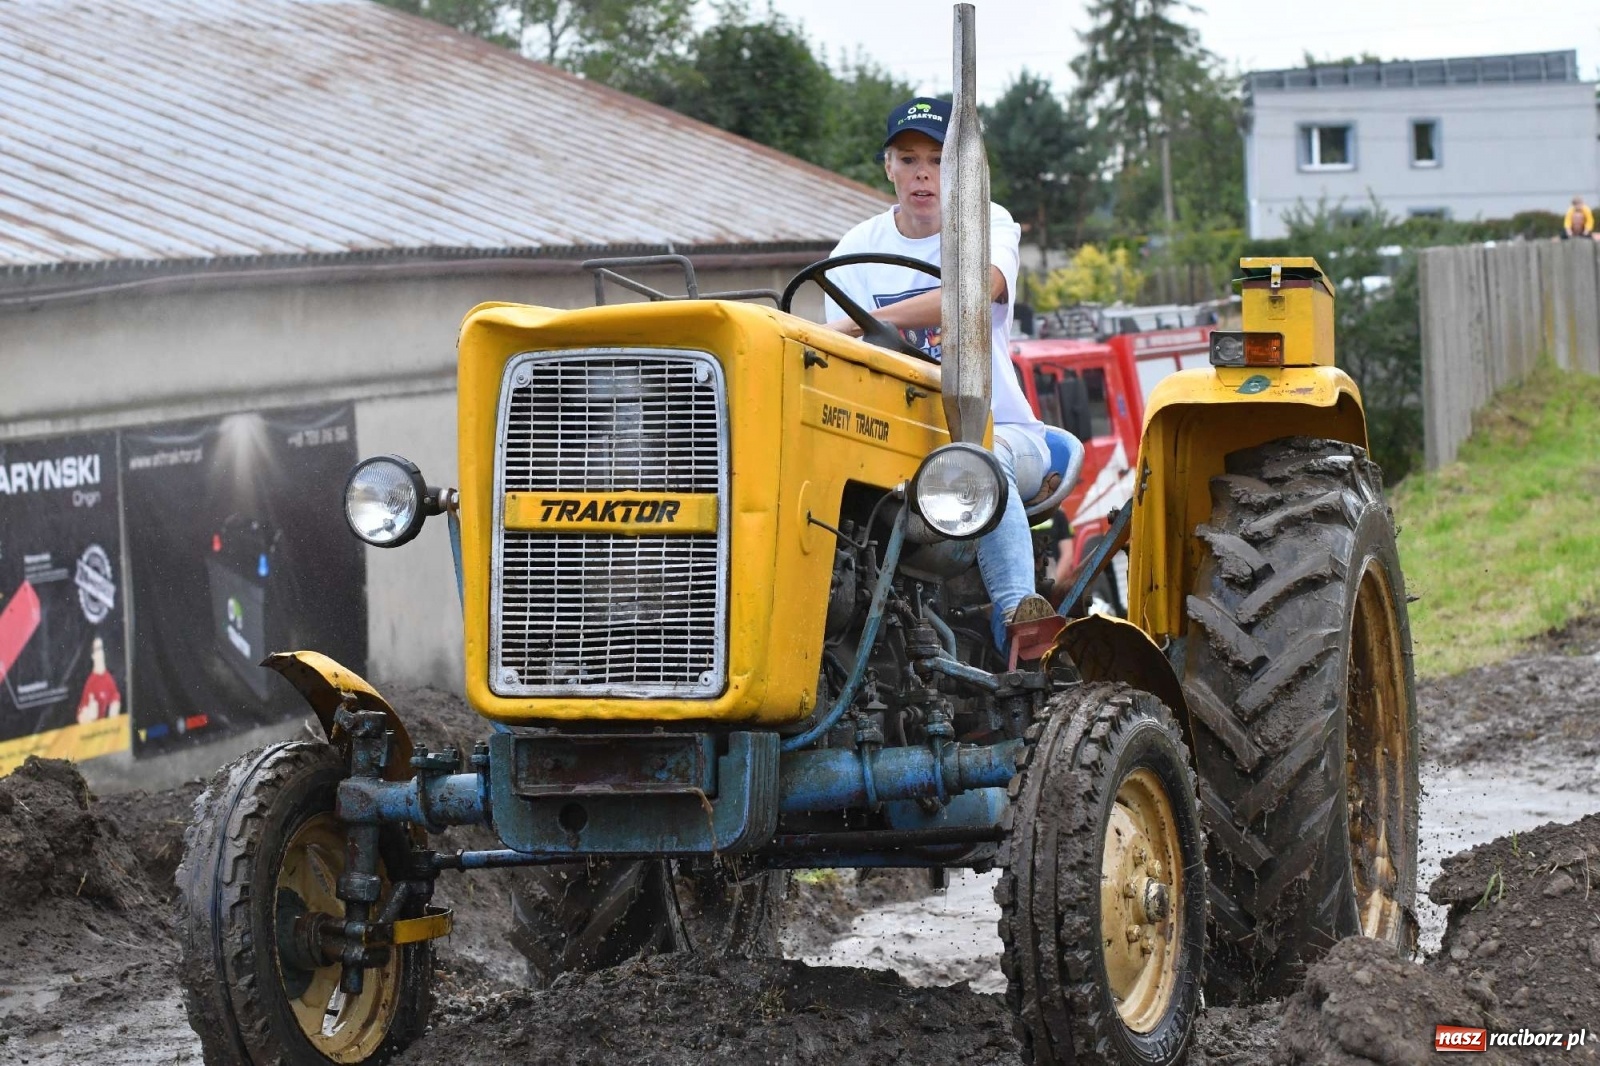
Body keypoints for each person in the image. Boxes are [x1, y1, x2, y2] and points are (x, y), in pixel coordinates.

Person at [822, 96, 1062, 654]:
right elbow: (832, 347)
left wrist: (870, 321)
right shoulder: (858, 248)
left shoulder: (987, 224)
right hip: (894, 440)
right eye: (909, 159)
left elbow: (979, 290)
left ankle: (1018, 622)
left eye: (938, 159)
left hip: (998, 429)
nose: (923, 172)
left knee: (975, 457)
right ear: (889, 166)